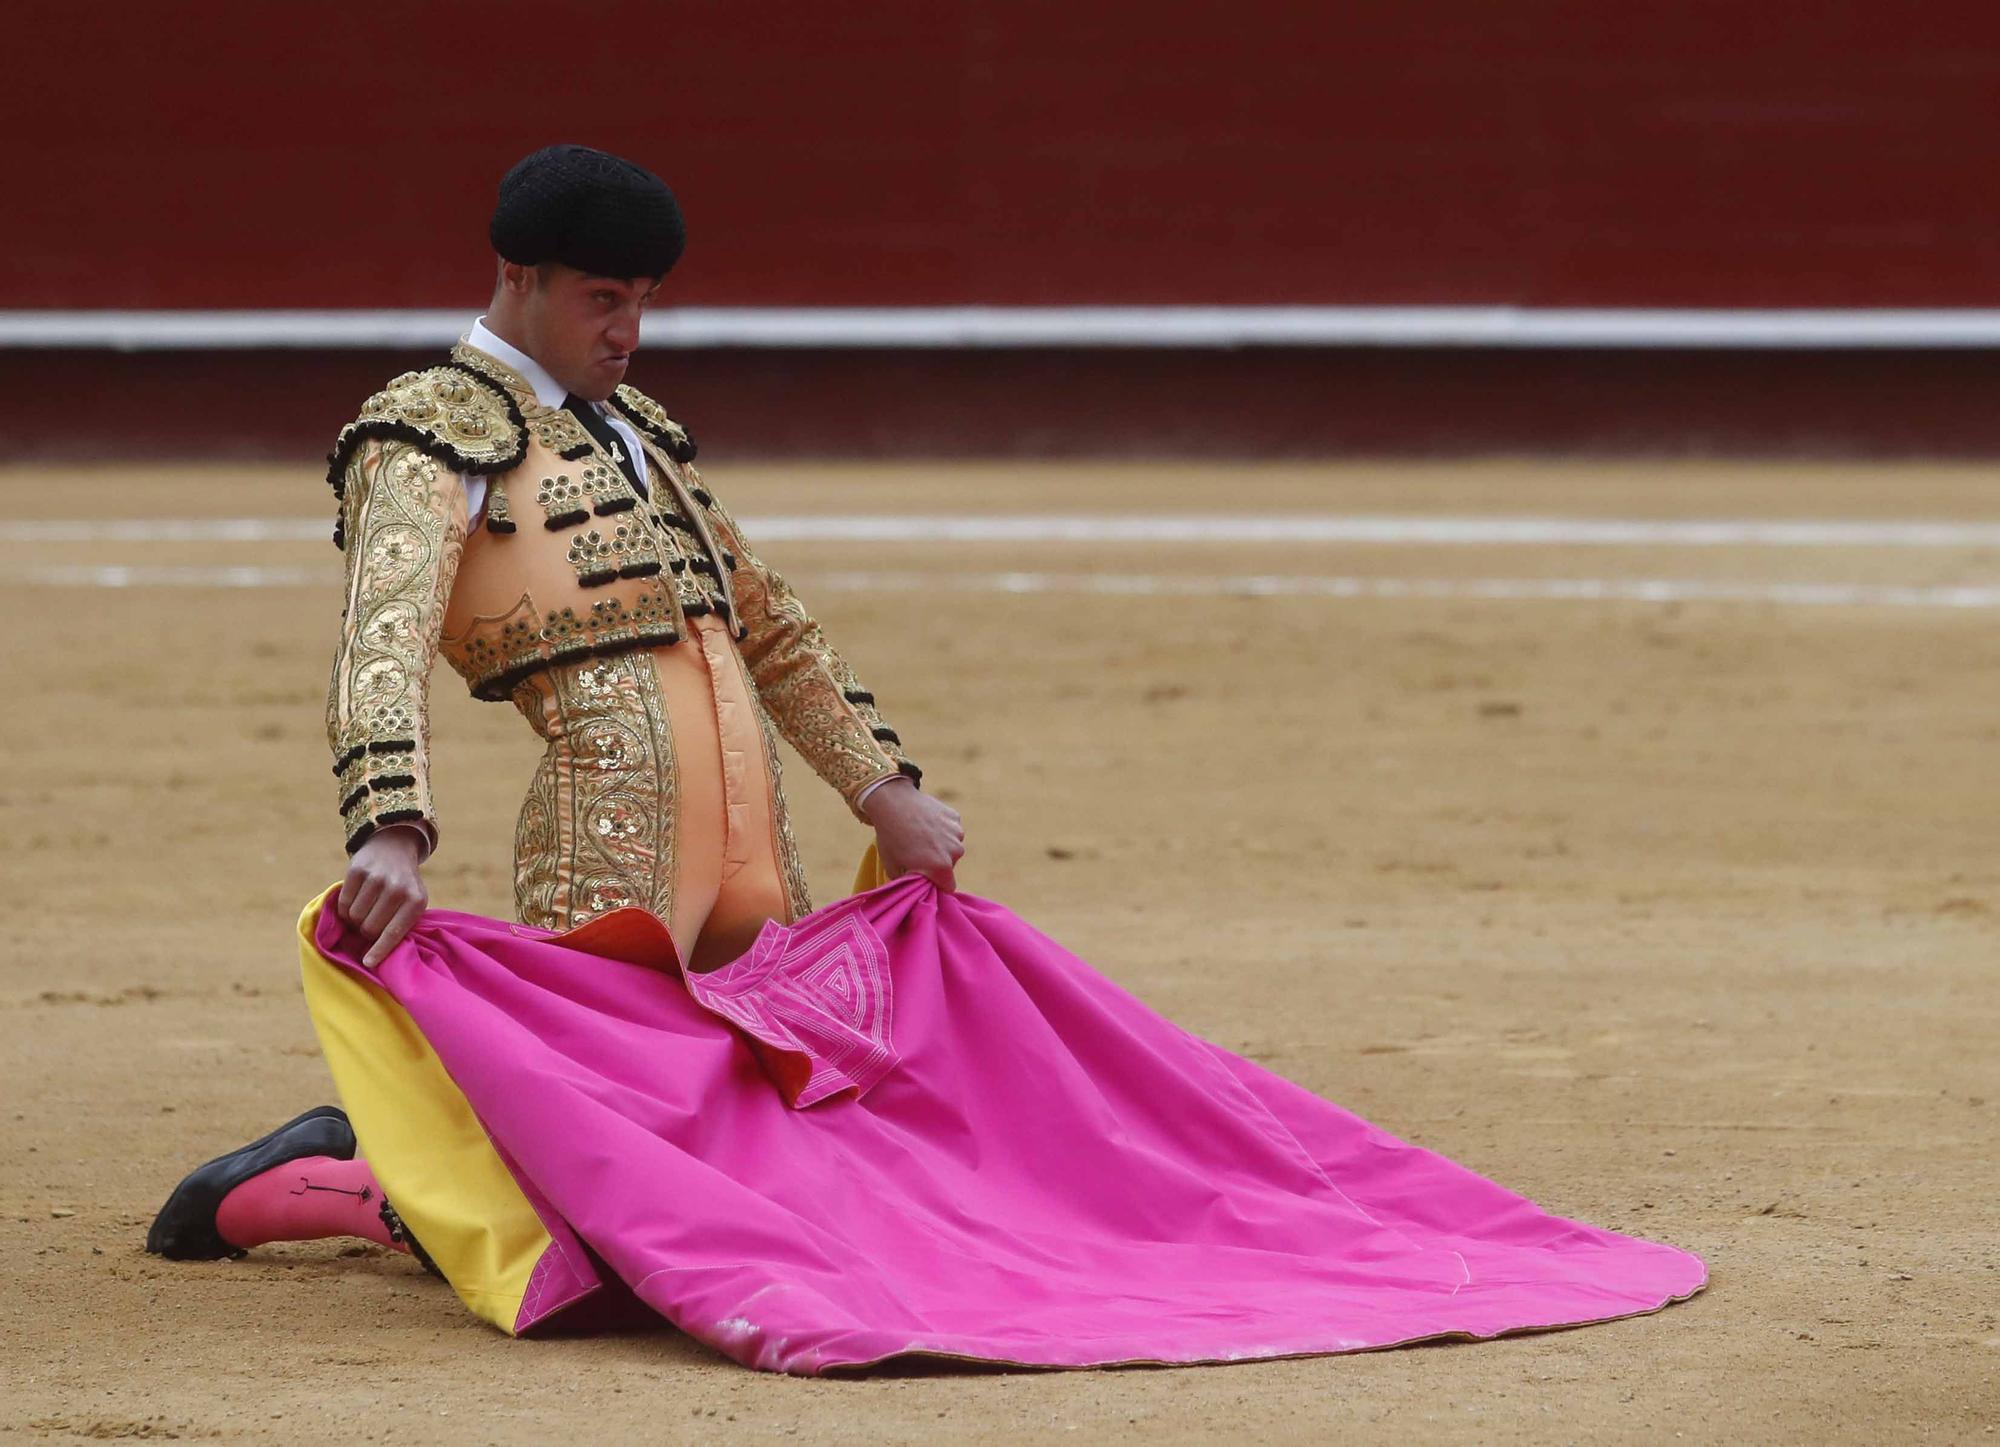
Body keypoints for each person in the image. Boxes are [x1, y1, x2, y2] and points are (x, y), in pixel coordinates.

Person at [147, 143, 963, 1263]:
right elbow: (378, 639)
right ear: (516, 278)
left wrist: (882, 789)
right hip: (609, 838)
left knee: (779, 1149)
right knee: (590, 1192)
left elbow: (766, 623)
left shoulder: (641, 433)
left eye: (641, 304)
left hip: (753, 843)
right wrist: (390, 820)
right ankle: (321, 1180)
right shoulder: (428, 429)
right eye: (600, 300)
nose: (626, 331)